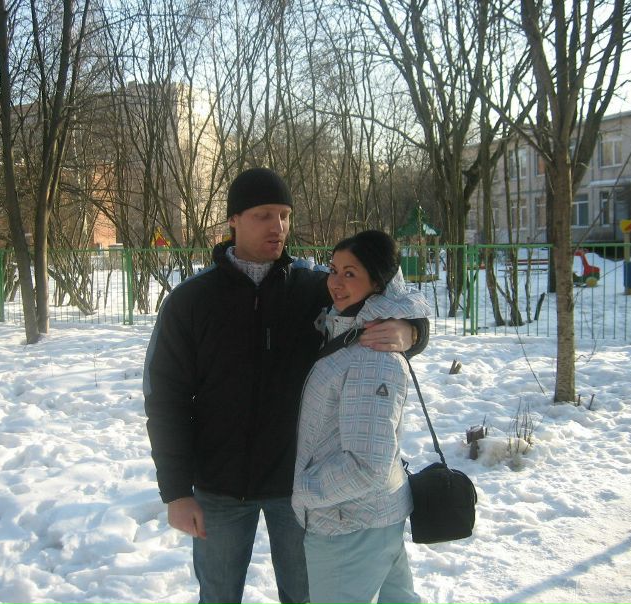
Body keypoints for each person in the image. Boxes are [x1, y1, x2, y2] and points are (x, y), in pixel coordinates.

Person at [143, 167, 429, 604]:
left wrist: (413, 331)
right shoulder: (191, 300)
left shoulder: (316, 288)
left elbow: (387, 292)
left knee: (303, 597)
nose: (277, 226)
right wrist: (177, 491)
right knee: (217, 597)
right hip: (219, 486)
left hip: (297, 487)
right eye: (263, 215)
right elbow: (165, 399)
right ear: (233, 220)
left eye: (284, 215)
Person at [292, 230, 426, 604]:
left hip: (347, 527)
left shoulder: (372, 354)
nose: (335, 282)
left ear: (378, 282)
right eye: (334, 270)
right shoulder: (349, 328)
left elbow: (368, 466)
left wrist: (305, 491)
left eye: (350, 273)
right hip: (373, 518)